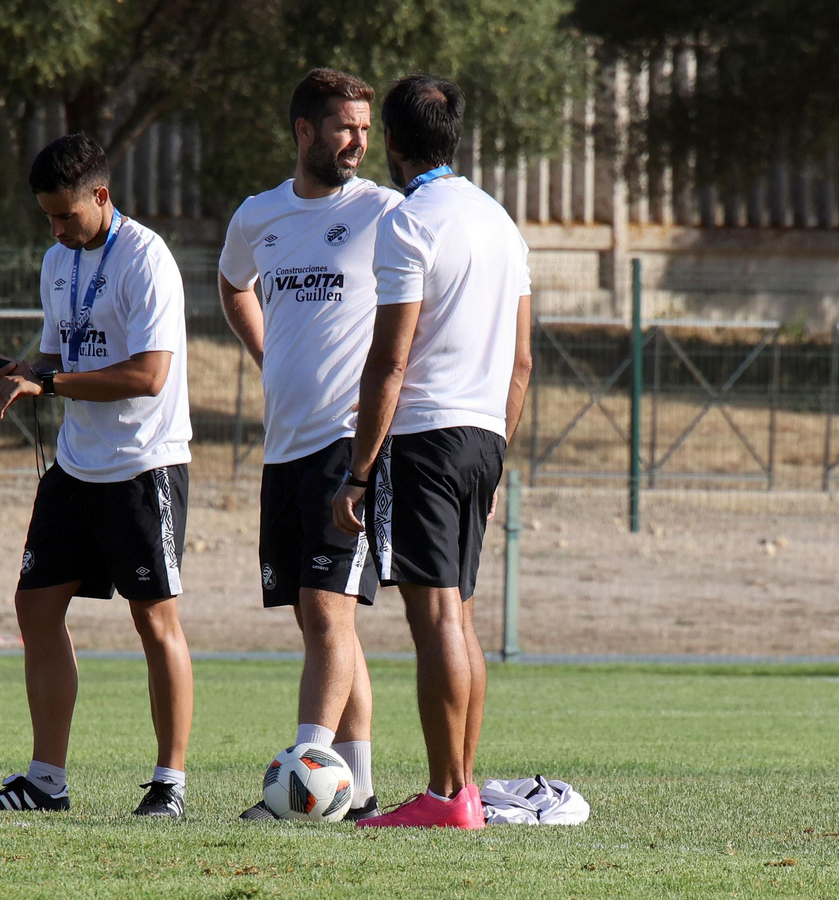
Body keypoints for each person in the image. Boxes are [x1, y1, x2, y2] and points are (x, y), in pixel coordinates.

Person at [0, 132, 195, 819]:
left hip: (142, 463)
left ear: (102, 195)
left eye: (66, 214)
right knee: (35, 606)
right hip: (77, 463)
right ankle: (45, 782)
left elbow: (150, 376)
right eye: (47, 217)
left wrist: (52, 384)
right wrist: (27, 371)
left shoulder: (147, 259)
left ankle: (170, 786)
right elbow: (56, 350)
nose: (57, 229)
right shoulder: (58, 259)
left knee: (154, 620)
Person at [332, 74, 534, 829]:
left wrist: (357, 471)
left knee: (435, 619)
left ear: (392, 143)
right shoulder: (501, 223)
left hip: (423, 439)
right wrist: (494, 447)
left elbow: (389, 361)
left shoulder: (409, 222)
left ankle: (446, 797)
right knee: (463, 617)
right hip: (484, 435)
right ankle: (465, 789)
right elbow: (522, 363)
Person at [218, 68, 402, 822]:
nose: (359, 140)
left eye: (365, 127)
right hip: (283, 449)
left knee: (327, 615)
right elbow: (233, 285)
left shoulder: (385, 211)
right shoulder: (258, 216)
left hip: (345, 446)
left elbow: (425, 306)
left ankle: (301, 788)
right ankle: (356, 790)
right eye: (344, 127)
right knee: (320, 619)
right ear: (304, 132)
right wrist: (270, 359)